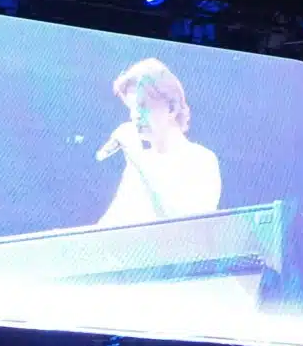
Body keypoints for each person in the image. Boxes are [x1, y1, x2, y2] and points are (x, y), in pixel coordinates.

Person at [95, 58, 222, 227]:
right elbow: (110, 226)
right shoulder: (138, 165)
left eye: (142, 106)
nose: (135, 116)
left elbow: (188, 225)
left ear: (171, 108)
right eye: (131, 108)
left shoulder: (201, 159)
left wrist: (138, 158)